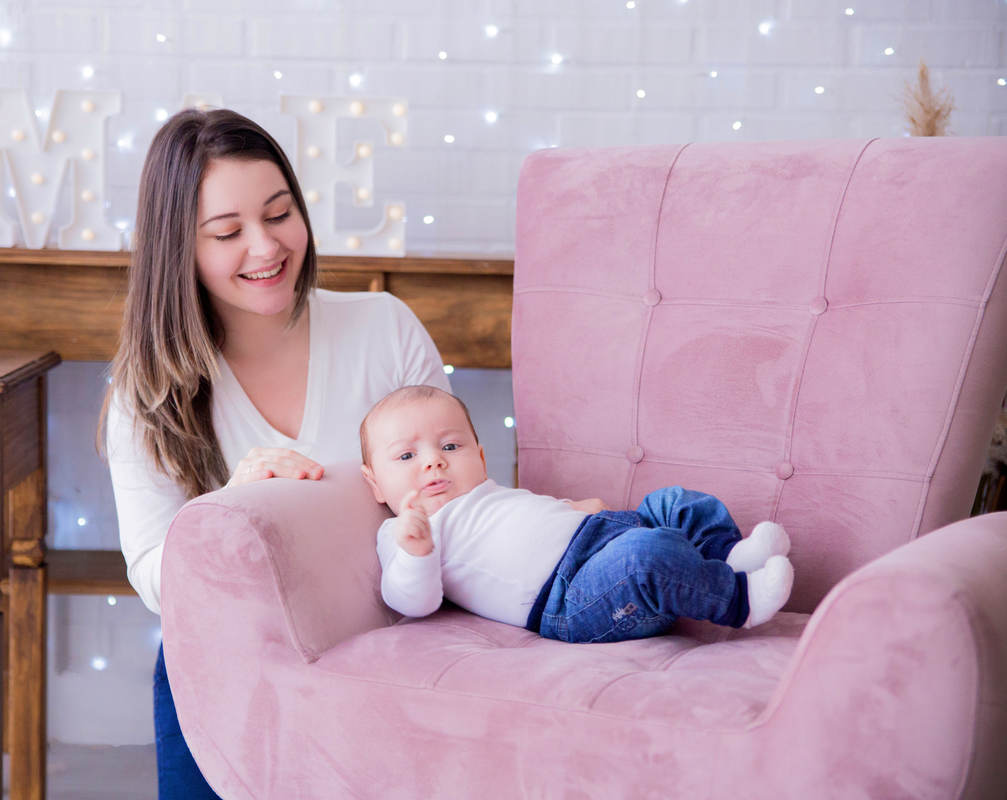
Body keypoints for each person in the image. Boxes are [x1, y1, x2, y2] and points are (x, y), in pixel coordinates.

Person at [102, 109, 450, 799]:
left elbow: (460, 492)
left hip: (389, 642)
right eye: (228, 233)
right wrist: (231, 508)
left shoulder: (384, 328)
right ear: (180, 251)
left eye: (280, 213)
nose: (266, 247)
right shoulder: (145, 394)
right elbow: (152, 578)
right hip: (235, 668)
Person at [359, 385, 795, 643]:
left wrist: (572, 513)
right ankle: (740, 601)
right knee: (647, 555)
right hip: (573, 599)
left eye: (450, 446)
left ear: (482, 457)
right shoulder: (404, 531)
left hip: (598, 535)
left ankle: (729, 556)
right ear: (375, 482)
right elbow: (412, 602)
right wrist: (416, 552)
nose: (434, 461)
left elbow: (525, 521)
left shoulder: (485, 494)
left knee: (673, 501)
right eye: (406, 456)